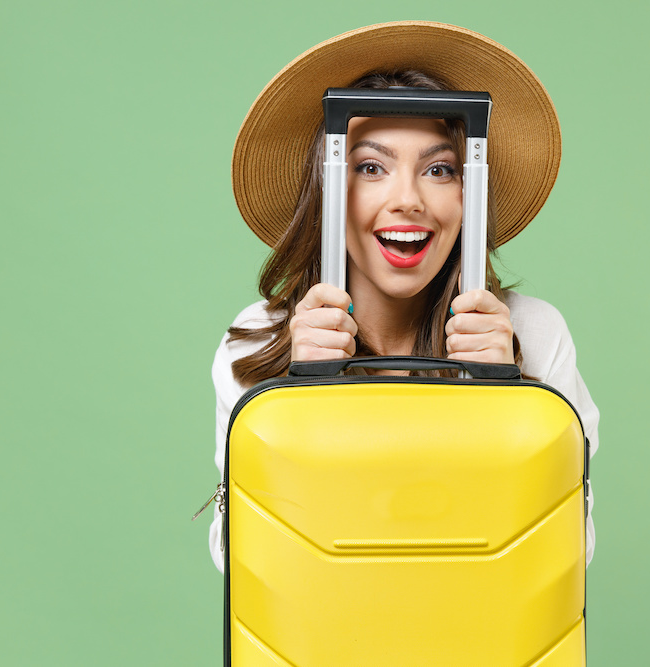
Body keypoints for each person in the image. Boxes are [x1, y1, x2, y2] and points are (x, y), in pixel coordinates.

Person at [208, 21, 599, 573]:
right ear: (328, 191)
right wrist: (296, 407)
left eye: (439, 169)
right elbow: (248, 568)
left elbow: (563, 559)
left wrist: (511, 407)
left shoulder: (533, 333)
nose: (408, 200)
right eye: (371, 167)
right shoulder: (258, 341)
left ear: (468, 193)